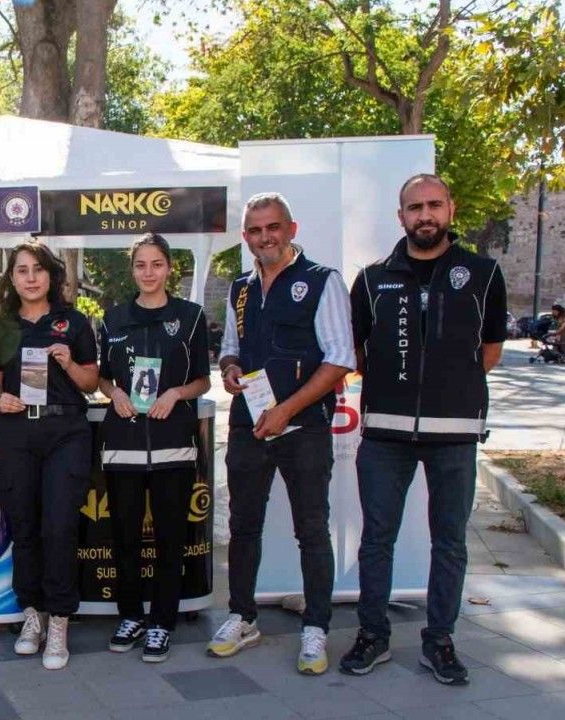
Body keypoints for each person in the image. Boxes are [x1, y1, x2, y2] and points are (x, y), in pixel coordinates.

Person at [340, 174, 507, 685]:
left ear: (450, 210)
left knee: (450, 542)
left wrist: (444, 389)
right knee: (376, 540)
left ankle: (439, 641)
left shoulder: (483, 273)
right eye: (415, 208)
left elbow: (490, 352)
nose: (425, 215)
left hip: (454, 434)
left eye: (434, 205)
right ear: (401, 217)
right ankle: (373, 635)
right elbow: (356, 351)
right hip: (385, 434)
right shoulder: (372, 279)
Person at [207, 193, 354, 676]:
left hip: (303, 428)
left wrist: (286, 410)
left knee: (311, 529)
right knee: (243, 526)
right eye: (254, 230)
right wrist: (230, 368)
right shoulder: (241, 288)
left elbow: (340, 359)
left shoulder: (323, 281)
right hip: (249, 425)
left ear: (291, 229)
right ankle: (242, 616)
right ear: (245, 236)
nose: (264, 237)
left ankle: (316, 627)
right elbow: (231, 347)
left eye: (272, 227)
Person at [0, 240, 98, 670]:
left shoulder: (74, 322)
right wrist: (0, 399)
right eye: (21, 270)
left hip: (65, 431)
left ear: (51, 275)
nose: (30, 278)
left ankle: (61, 620)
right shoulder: (1, 326)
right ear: (11, 279)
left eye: (38, 269)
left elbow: (91, 383)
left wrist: (68, 363)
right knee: (24, 526)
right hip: (17, 433)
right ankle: (33, 614)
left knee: (60, 526)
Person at [97, 232, 210, 663]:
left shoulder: (191, 317)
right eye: (141, 265)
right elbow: (102, 376)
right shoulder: (112, 319)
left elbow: (203, 379)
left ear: (169, 268)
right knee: (124, 538)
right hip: (123, 446)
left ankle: (162, 622)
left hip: (173, 446)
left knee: (169, 539)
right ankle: (131, 616)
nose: (148, 272)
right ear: (132, 270)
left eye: (156, 264)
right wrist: (113, 393)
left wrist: (176, 393)